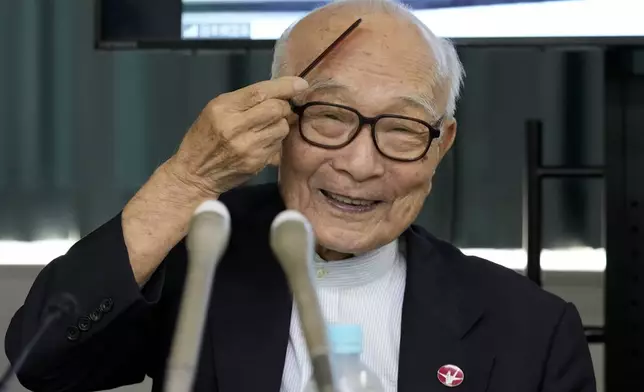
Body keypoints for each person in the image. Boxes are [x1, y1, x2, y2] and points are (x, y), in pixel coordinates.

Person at [5, 0, 596, 391]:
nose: (360, 165)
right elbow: (42, 359)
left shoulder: (532, 330)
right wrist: (186, 179)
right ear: (277, 121)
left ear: (441, 146)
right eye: (329, 117)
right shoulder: (201, 255)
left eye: (402, 128)